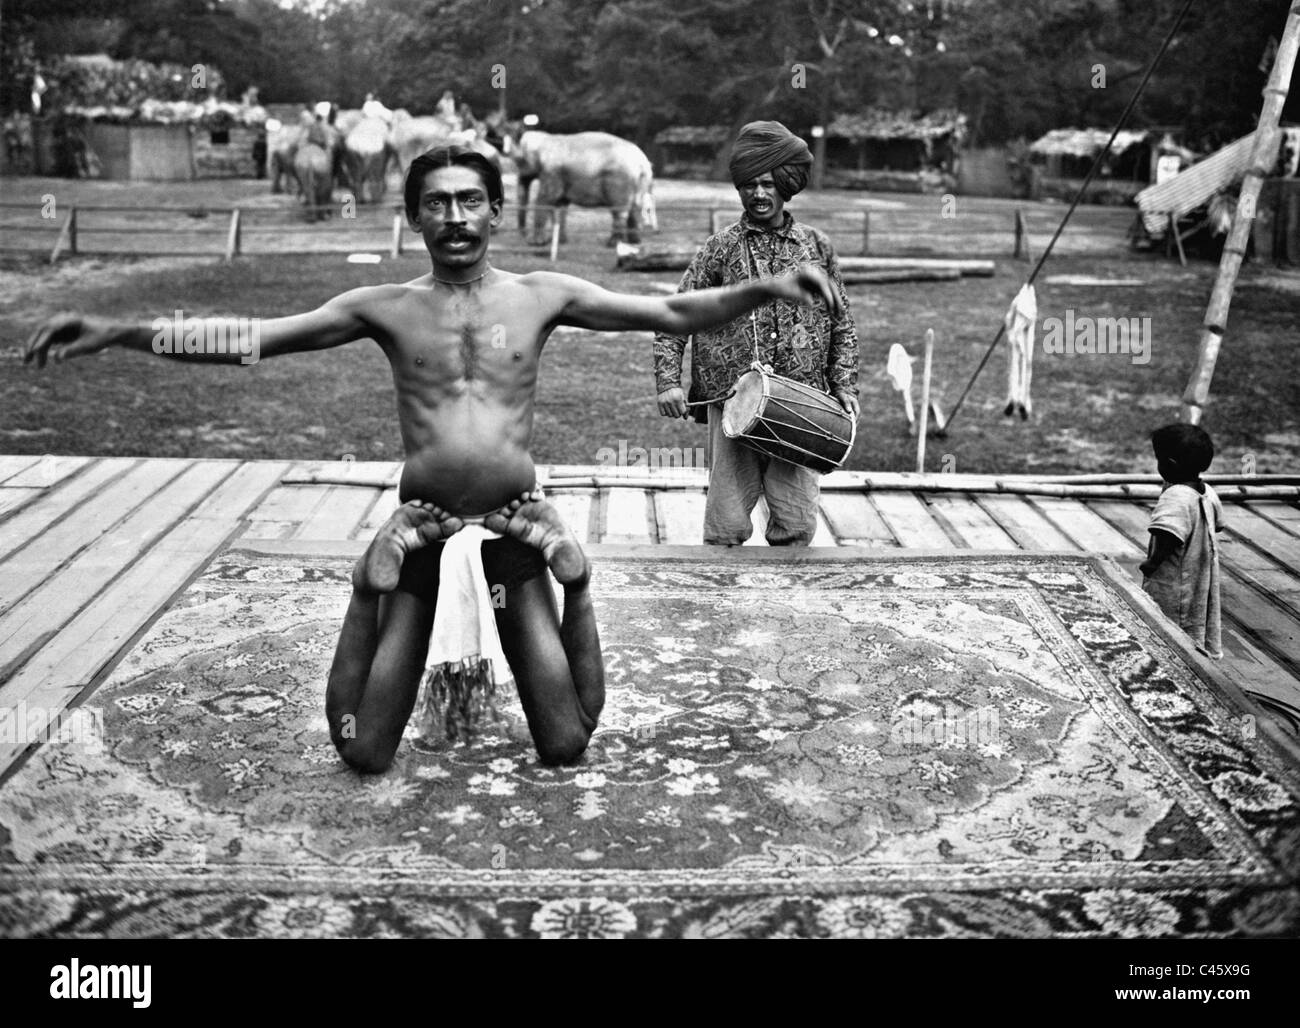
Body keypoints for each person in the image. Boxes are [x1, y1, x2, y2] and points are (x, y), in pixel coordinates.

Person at [23, 144, 840, 772]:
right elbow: (251, 342)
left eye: (471, 202)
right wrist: (118, 332)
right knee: (364, 747)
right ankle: (363, 585)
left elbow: (669, 308)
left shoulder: (541, 296)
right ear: (415, 217)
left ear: (495, 214)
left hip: (517, 530)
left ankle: (577, 580)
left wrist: (767, 289)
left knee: (564, 741)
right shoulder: (384, 307)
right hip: (422, 531)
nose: (455, 217)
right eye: (438, 203)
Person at [653, 120, 859, 546]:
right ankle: (725, 603)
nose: (759, 194)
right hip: (732, 401)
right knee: (727, 525)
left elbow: (843, 321)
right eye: (749, 185)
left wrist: (843, 382)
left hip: (801, 399)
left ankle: (785, 606)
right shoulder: (719, 248)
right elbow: (676, 314)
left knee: (797, 523)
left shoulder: (816, 247)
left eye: (767, 183)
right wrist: (668, 382)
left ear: (785, 184)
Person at [1138, 423, 1224, 658]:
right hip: (1200, 570)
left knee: (1167, 615)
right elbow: (1218, 524)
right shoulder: (1206, 491)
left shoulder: (1175, 497)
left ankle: (1168, 656)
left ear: (1170, 464)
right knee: (1193, 613)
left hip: (1175, 572)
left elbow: (1168, 535)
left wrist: (1152, 563)